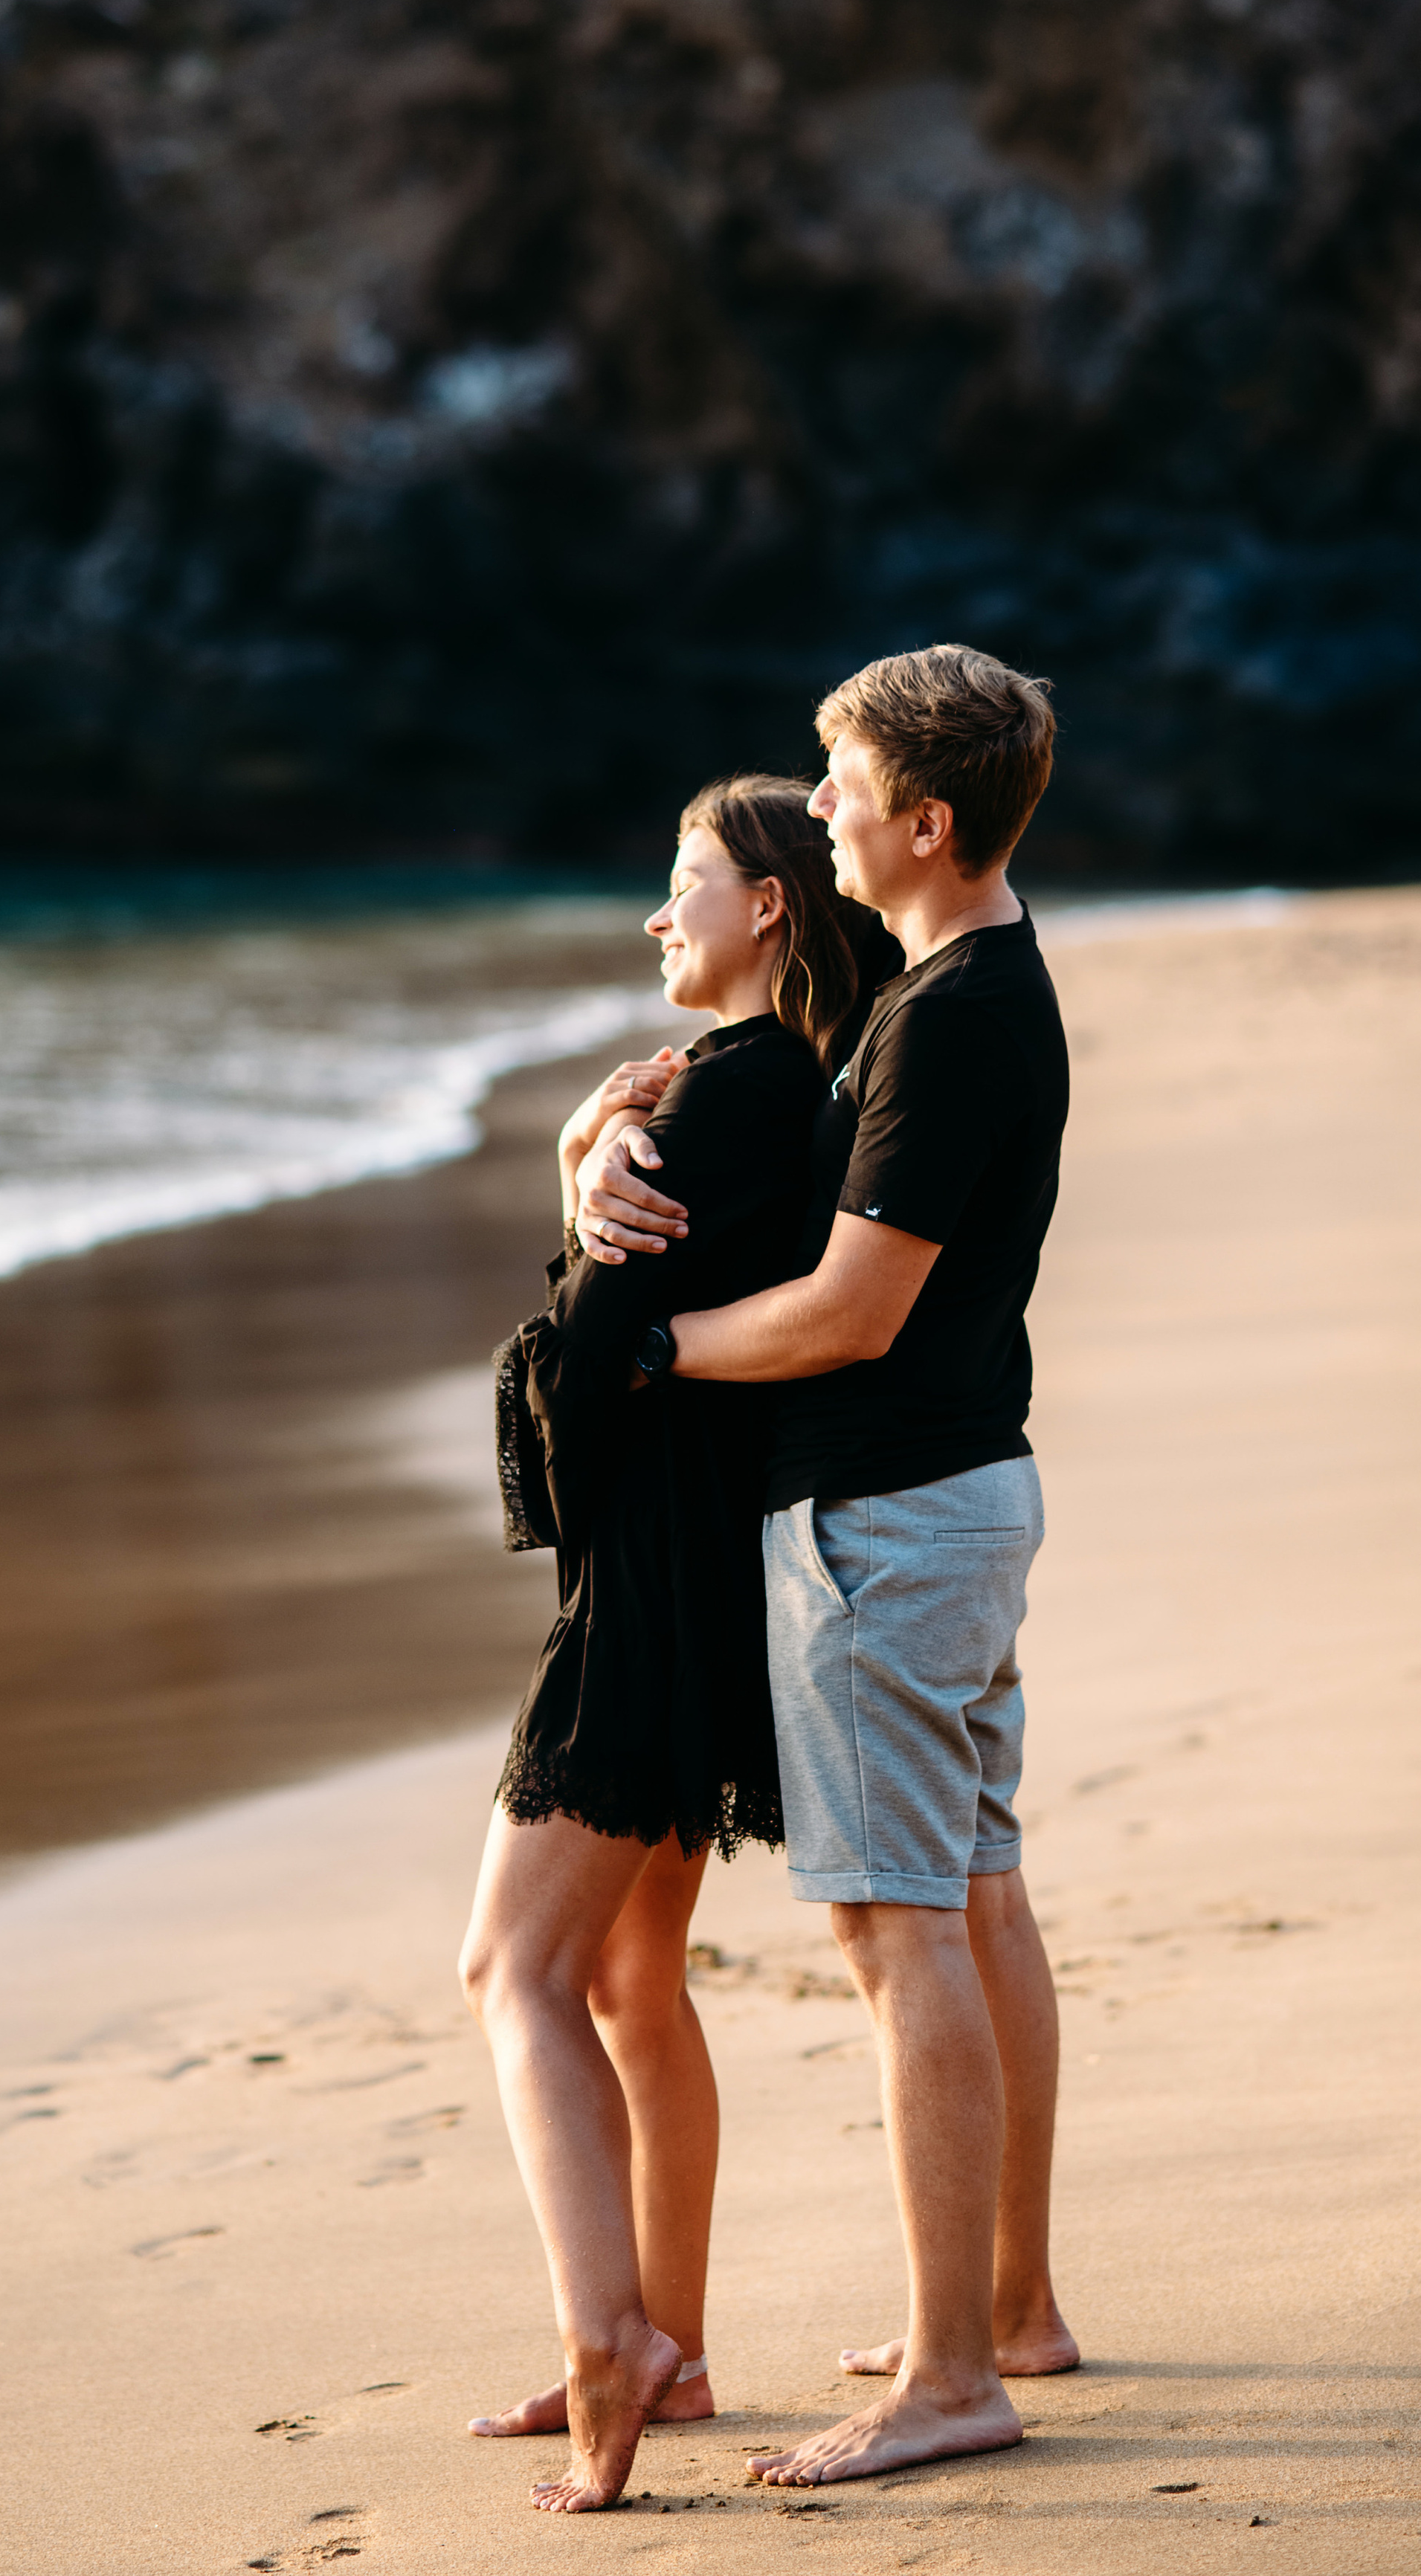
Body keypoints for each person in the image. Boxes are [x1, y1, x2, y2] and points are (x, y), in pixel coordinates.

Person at [573, 645, 1077, 2490]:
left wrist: (641, 1348)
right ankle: (1009, 2310)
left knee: (898, 1926)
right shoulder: (962, 988)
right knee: (979, 1895)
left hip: (883, 1511)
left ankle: (954, 2371)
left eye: (846, 786)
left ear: (925, 822)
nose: (828, 810)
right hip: (959, 1495)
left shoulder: (948, 1021)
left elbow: (851, 1313)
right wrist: (593, 1147)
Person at [459, 774, 867, 2514]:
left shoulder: (716, 1096)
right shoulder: (787, 1088)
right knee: (625, 1977)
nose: (655, 912)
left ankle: (603, 2339)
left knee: (513, 1973)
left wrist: (574, 1192)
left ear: (767, 905)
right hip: (716, 1579)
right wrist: (576, 1170)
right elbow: (628, 1339)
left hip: (641, 1600)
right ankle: (673, 2348)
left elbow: (577, 1382)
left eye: (683, 880)